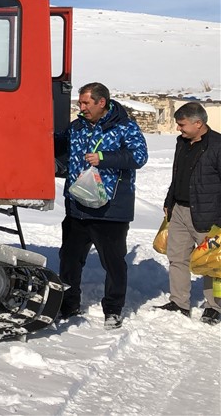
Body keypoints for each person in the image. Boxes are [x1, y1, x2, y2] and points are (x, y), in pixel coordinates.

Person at [56, 82, 148, 329]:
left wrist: (104, 159)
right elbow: (59, 150)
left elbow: (139, 157)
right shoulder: (76, 128)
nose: (81, 107)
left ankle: (113, 309)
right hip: (77, 205)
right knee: (69, 258)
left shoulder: (124, 127)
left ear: (101, 103)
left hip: (111, 209)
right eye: (80, 102)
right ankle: (69, 303)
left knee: (114, 262)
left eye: (86, 103)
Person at [156, 102, 221, 324]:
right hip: (180, 210)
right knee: (177, 258)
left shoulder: (218, 145)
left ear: (198, 123)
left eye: (182, 125)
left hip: (208, 214)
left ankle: (214, 307)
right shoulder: (181, 143)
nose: (178, 129)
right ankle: (179, 302)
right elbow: (177, 175)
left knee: (210, 263)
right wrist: (169, 200)